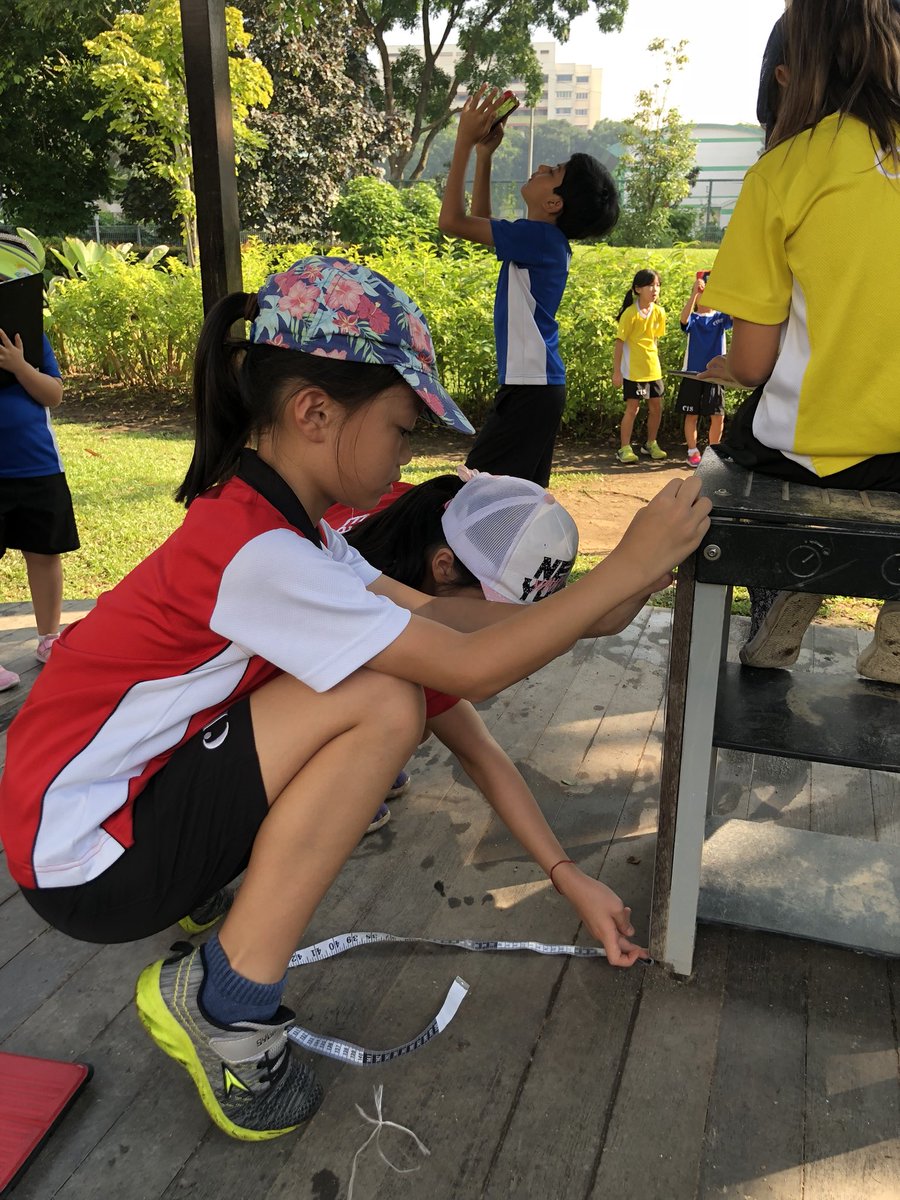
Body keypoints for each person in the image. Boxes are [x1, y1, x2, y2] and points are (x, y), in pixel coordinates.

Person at [0, 255, 712, 1142]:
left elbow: (445, 620)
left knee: (383, 686)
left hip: (93, 821)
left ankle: (218, 947)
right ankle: (224, 1004)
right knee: (384, 701)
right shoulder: (264, 555)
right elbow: (468, 667)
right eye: (403, 428)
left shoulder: (287, 530)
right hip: (88, 862)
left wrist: (612, 598)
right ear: (315, 412)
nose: (407, 452)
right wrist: (629, 563)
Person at [700, 0, 900, 682]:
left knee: (747, 445)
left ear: (795, 70)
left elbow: (755, 363)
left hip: (814, 450)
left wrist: (730, 367)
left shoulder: (784, 171)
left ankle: (787, 591)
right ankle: (895, 636)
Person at [331, 469, 610, 836]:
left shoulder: (432, 508)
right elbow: (476, 749)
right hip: (273, 708)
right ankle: (339, 782)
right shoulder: (379, 616)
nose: (499, 625)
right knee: (406, 711)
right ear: (444, 567)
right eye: (493, 609)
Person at [438, 85, 620, 487]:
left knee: (474, 492)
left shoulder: (539, 240)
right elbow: (479, 221)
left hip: (531, 389)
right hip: (536, 388)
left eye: (553, 172)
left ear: (554, 203)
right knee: (516, 500)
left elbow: (451, 222)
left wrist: (463, 143)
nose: (541, 167)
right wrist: (484, 155)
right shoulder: (541, 240)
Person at [0, 233, 79, 691]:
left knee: (44, 552)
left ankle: (49, 637)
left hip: (36, 466)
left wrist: (19, 365)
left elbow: (54, 394)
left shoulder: (30, 338)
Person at [676, 271, 732, 467]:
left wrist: (723, 291)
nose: (705, 296)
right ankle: (692, 451)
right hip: (693, 374)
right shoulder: (693, 318)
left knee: (718, 415)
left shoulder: (721, 318)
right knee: (692, 414)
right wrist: (694, 293)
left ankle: (713, 453)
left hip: (716, 376)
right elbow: (683, 320)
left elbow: (735, 313)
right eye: (702, 293)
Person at [613, 269, 667, 464]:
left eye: (657, 285)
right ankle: (624, 448)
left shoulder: (660, 312)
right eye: (650, 285)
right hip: (633, 371)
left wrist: (655, 363)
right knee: (632, 409)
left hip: (653, 369)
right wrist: (617, 372)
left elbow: (654, 340)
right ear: (637, 289)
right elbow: (619, 343)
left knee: (656, 407)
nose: (655, 290)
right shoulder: (629, 314)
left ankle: (651, 444)